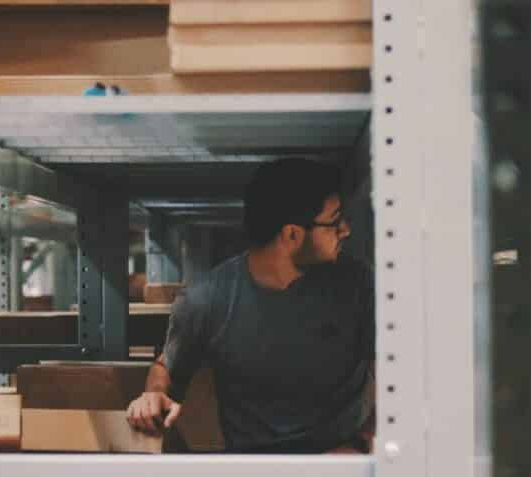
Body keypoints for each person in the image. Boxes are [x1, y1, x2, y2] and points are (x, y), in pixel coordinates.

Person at [126, 158, 375, 454]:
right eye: (334, 222)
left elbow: (399, 379)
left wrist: (360, 443)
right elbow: (167, 366)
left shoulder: (359, 286)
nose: (345, 230)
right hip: (252, 465)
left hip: (342, 463)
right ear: (292, 235)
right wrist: (153, 395)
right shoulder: (207, 299)